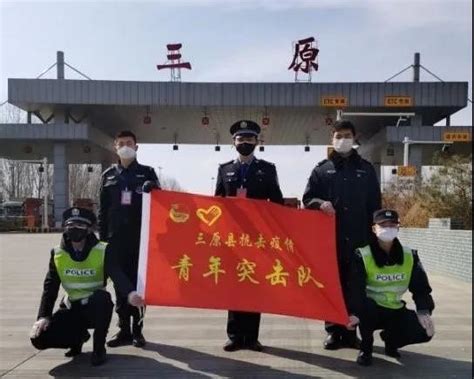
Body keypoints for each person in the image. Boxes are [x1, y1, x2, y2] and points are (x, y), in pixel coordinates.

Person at [302, 120, 381, 350]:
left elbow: (375, 205)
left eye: (347, 135)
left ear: (354, 138)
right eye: (338, 135)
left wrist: (376, 236)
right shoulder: (321, 169)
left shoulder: (365, 169)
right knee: (332, 286)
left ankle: (350, 332)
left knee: (355, 286)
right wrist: (320, 203)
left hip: (359, 240)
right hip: (330, 242)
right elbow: (308, 199)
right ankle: (334, 332)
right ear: (332, 138)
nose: (342, 139)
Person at [30, 207, 144, 366]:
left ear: (89, 230)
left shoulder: (103, 250)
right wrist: (43, 317)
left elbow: (116, 273)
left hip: (94, 308)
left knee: (103, 299)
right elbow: (50, 288)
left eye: (80, 226)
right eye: (70, 226)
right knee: (38, 338)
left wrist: (130, 293)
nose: (75, 230)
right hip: (71, 308)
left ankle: (99, 349)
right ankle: (77, 339)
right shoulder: (57, 253)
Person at [215, 119, 284, 352]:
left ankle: (252, 337)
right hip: (233, 239)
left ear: (257, 141)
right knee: (234, 286)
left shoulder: (268, 169)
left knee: (254, 286)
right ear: (233, 142)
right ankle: (234, 336)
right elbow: (217, 203)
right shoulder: (224, 169)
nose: (245, 142)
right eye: (240, 139)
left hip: (258, 239)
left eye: (249, 138)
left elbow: (276, 203)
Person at [346, 209, 435, 366]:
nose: (388, 228)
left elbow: (421, 288)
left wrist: (424, 311)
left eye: (392, 224)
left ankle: (391, 341)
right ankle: (366, 348)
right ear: (374, 228)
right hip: (371, 309)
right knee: (366, 309)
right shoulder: (362, 255)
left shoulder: (410, 256)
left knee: (425, 331)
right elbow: (355, 288)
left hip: (396, 309)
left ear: (398, 228)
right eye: (383, 225)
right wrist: (354, 312)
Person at [98, 130, 160, 348]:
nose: (125, 146)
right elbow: (103, 212)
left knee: (138, 286)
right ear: (115, 146)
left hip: (139, 240)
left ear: (136, 146)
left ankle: (137, 330)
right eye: (121, 143)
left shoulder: (147, 173)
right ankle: (123, 329)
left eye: (129, 143)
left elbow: (159, 206)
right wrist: (101, 240)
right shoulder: (107, 175)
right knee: (119, 286)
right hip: (115, 241)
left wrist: (155, 190)